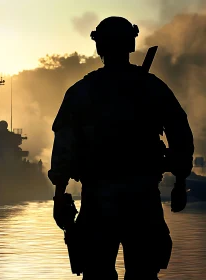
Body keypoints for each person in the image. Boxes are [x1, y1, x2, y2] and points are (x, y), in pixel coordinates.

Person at [48, 16, 194, 280]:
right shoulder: (152, 88)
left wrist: (59, 196)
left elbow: (64, 149)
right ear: (131, 44)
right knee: (143, 274)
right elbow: (180, 132)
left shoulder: (81, 92)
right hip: (142, 199)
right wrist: (180, 182)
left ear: (99, 47)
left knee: (97, 274)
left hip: (98, 199)